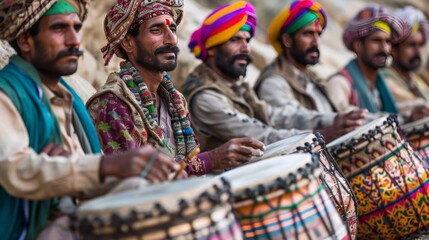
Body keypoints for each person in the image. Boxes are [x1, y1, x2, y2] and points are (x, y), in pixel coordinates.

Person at [0, 1, 185, 239]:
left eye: (77, 28)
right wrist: (104, 165)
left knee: (140, 189)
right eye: (59, 29)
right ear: (26, 40)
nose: (74, 41)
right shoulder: (8, 94)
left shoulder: (66, 98)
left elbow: (79, 183)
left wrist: (154, 174)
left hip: (69, 215)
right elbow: (16, 169)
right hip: (31, 230)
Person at [86, 0, 264, 175]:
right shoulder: (112, 103)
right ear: (128, 43)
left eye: (172, 29)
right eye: (156, 30)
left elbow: (189, 162)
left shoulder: (175, 100)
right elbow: (134, 181)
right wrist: (211, 160)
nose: (172, 40)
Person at [183, 1, 334, 151]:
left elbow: (275, 116)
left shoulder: (236, 87)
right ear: (211, 49)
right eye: (235, 40)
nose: (246, 48)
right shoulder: (205, 97)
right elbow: (261, 136)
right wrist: (316, 135)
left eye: (247, 40)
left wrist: (332, 120)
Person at [254, 0, 366, 137]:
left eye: (318, 35)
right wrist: (334, 120)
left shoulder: (313, 78)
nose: (316, 42)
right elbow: (291, 118)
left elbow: (341, 111)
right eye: (308, 34)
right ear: (287, 40)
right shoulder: (273, 82)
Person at [382, 6, 429, 116]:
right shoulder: (385, 80)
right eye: (411, 45)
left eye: (420, 45)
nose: (418, 51)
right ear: (393, 49)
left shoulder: (416, 81)